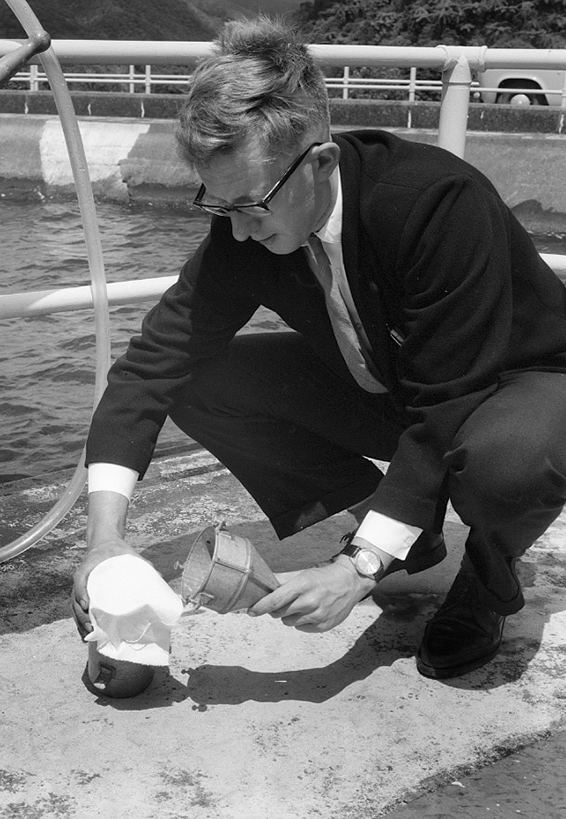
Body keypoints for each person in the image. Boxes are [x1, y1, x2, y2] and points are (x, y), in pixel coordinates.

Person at [71, 16, 566, 680]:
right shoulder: (249, 221)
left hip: (515, 385)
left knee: (508, 465)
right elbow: (150, 367)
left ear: (322, 163)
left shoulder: (435, 203)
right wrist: (104, 538)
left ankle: (485, 580)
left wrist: (357, 569)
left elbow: (449, 401)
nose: (238, 233)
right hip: (396, 383)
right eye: (219, 206)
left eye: (251, 206)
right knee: (199, 383)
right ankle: (404, 530)